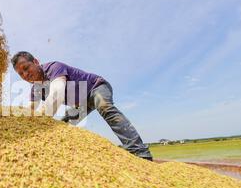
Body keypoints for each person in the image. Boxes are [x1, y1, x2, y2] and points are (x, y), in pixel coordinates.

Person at [11, 51, 153, 161]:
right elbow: (30, 111)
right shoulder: (36, 89)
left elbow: (56, 94)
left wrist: (42, 117)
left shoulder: (53, 68)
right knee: (63, 126)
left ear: (35, 61)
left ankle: (141, 153)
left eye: (26, 67)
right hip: (81, 104)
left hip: (96, 88)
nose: (25, 74)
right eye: (20, 73)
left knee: (104, 106)